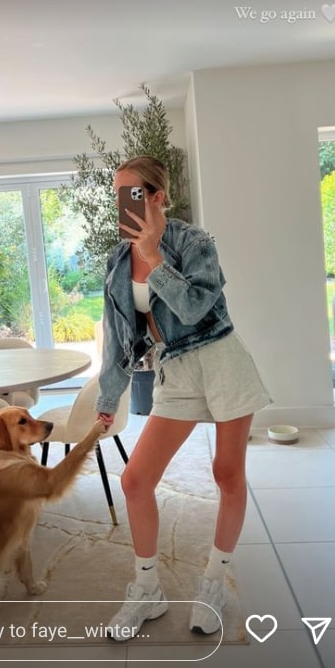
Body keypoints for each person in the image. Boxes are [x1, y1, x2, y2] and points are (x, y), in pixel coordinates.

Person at [95, 155, 271, 640]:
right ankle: (147, 590)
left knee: (227, 472)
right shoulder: (116, 262)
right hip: (175, 368)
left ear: (156, 197)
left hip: (220, 359)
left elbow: (195, 308)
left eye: (132, 193)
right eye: (117, 194)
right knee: (135, 480)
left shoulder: (193, 242)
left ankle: (214, 581)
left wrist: (153, 255)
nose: (122, 204)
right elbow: (118, 336)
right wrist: (110, 396)